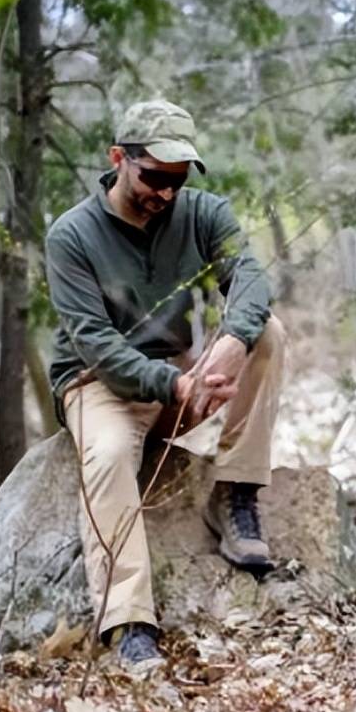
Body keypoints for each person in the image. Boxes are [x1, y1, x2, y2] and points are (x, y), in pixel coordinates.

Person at [44, 99, 285, 665]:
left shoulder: (203, 213)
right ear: (118, 160)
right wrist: (170, 385)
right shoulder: (71, 236)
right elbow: (96, 344)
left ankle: (237, 493)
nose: (166, 193)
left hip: (181, 380)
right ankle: (130, 622)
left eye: (177, 180)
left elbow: (249, 276)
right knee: (104, 453)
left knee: (268, 332)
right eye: (154, 177)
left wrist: (232, 339)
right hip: (100, 384)